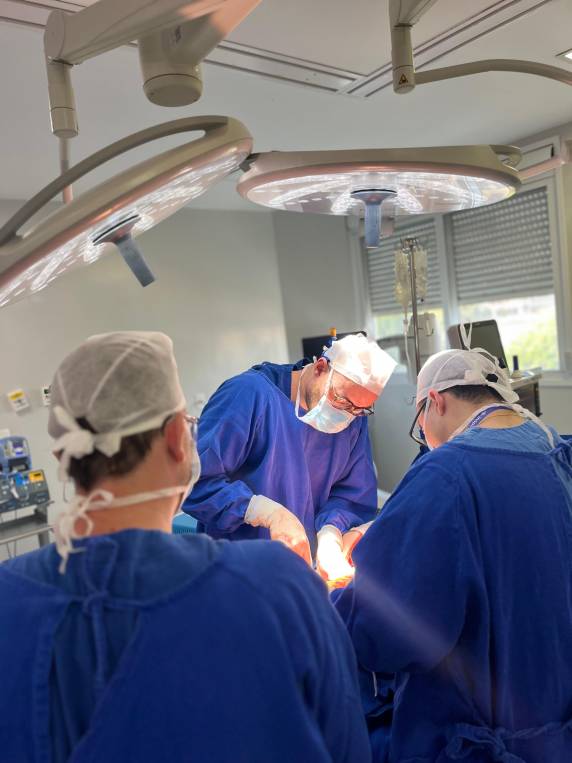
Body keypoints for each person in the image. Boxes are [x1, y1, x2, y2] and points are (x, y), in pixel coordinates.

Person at [0, 331, 371, 763]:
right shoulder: (280, 588)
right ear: (180, 439)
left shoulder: (10, 598)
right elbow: (346, 746)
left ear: (62, 455)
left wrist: (329, 530)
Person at [333, 348, 572, 762]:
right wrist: (400, 527)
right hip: (556, 728)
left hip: (477, 742)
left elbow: (385, 635)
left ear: (435, 401)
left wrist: (333, 598)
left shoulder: (446, 474)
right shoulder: (556, 449)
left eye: (420, 425)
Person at [184, 333, 396, 584]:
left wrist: (331, 533)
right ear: (320, 368)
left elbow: (352, 494)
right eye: (341, 400)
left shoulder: (353, 421)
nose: (347, 414)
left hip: (302, 575)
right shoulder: (249, 395)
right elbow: (193, 479)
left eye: (360, 409)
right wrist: (263, 511)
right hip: (238, 573)